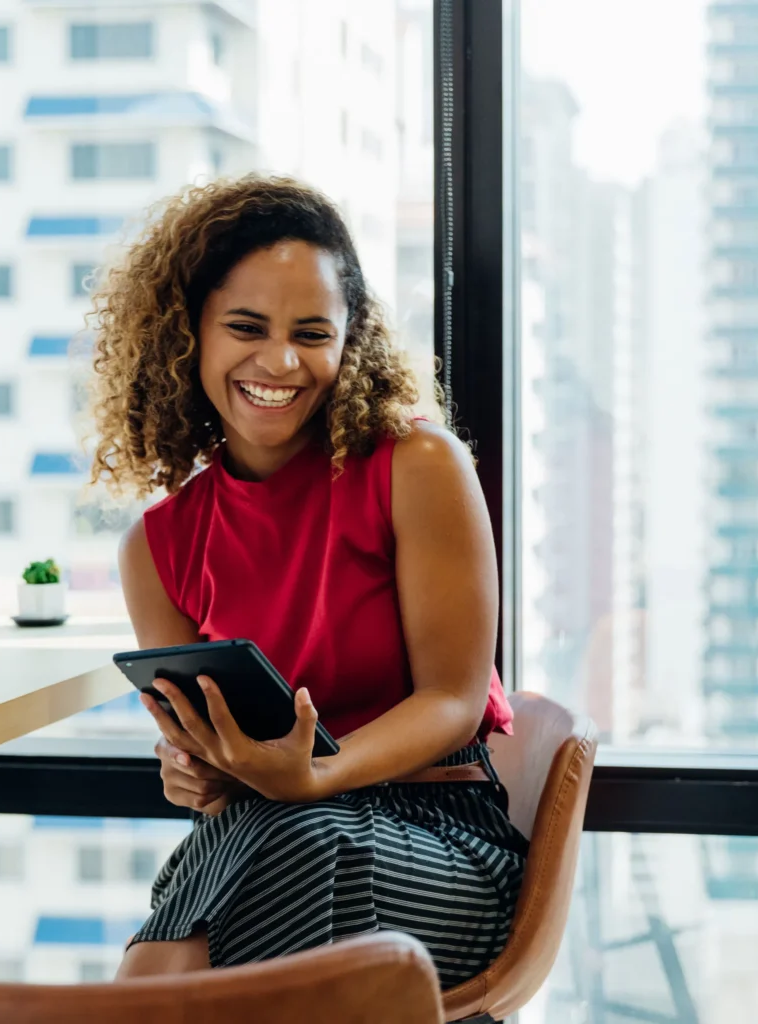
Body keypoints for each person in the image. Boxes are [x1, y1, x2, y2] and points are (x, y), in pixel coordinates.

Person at [86, 175, 529, 987]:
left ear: (349, 341)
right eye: (246, 327)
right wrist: (195, 770)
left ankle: (133, 1002)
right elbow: (205, 763)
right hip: (265, 844)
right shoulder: (156, 548)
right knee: (267, 836)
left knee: (283, 841)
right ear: (189, 336)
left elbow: (452, 701)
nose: (281, 362)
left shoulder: (419, 466)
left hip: (440, 840)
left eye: (313, 333)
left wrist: (317, 775)